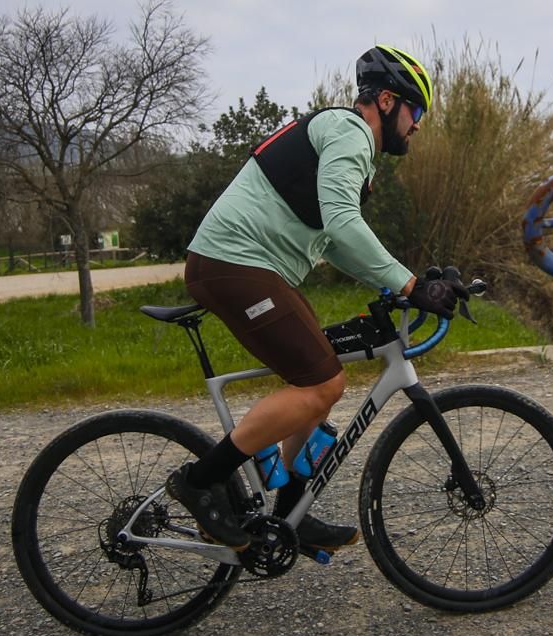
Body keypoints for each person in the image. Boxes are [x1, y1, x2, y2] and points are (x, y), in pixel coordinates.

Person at [167, 45, 469, 553]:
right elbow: (343, 226)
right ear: (389, 101)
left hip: (257, 270)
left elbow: (336, 244)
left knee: (319, 378)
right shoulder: (350, 132)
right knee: (322, 382)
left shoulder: (352, 148)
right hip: (232, 265)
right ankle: (200, 483)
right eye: (416, 112)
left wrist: (398, 286)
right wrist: (412, 286)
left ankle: (289, 510)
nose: (418, 126)